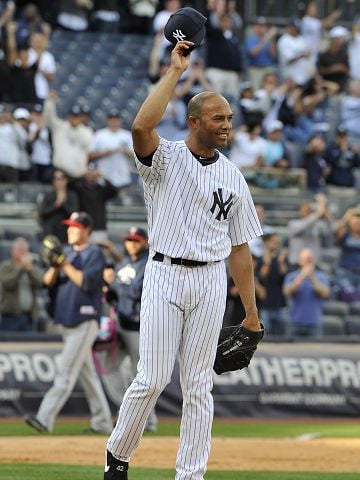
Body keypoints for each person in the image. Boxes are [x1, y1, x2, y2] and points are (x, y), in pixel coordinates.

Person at [104, 39, 262, 480]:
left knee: (198, 387)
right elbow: (139, 127)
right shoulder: (167, 157)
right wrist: (175, 71)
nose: (226, 124)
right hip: (165, 274)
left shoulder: (233, 175)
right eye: (218, 117)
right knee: (152, 378)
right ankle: (118, 455)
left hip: (211, 281)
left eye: (229, 117)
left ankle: (190, 475)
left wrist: (251, 314)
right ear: (193, 122)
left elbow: (240, 249)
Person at [24, 211, 113, 434]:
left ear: (87, 231)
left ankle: (44, 419)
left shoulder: (94, 253)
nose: (71, 230)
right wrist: (55, 263)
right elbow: (46, 282)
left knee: (65, 370)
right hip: (68, 321)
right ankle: (103, 422)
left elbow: (85, 282)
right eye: (69, 226)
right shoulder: (67, 253)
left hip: (85, 320)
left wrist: (63, 263)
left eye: (76, 227)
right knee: (88, 376)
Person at [106, 227, 158, 432]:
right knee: (109, 366)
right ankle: (128, 412)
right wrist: (109, 287)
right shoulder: (124, 262)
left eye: (136, 240)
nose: (132, 244)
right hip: (121, 323)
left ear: (145, 242)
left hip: (139, 326)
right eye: (129, 240)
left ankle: (149, 421)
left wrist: (114, 284)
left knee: (143, 376)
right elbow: (115, 295)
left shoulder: (150, 262)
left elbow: (138, 291)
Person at [283, 247, 331, 338]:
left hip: (314, 322)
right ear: (299, 261)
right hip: (294, 321)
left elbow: (325, 293)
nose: (307, 262)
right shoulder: (292, 276)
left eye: (309, 259)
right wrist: (302, 276)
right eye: (304, 259)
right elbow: (287, 292)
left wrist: (312, 278)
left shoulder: (321, 276)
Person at [0, 237, 44, 332]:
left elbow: (40, 283)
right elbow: (8, 283)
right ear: (12, 251)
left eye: (25, 250)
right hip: (10, 317)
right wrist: (20, 268)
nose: (22, 253)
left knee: (29, 345)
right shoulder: (5, 266)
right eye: (19, 250)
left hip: (29, 317)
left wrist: (29, 269)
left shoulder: (32, 268)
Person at [37, 169, 79, 244]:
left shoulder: (72, 195)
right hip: (50, 234)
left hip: (66, 235)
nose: (58, 182)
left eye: (61, 179)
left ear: (66, 180)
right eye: (56, 179)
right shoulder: (48, 195)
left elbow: (74, 214)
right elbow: (42, 213)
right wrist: (56, 204)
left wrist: (63, 203)